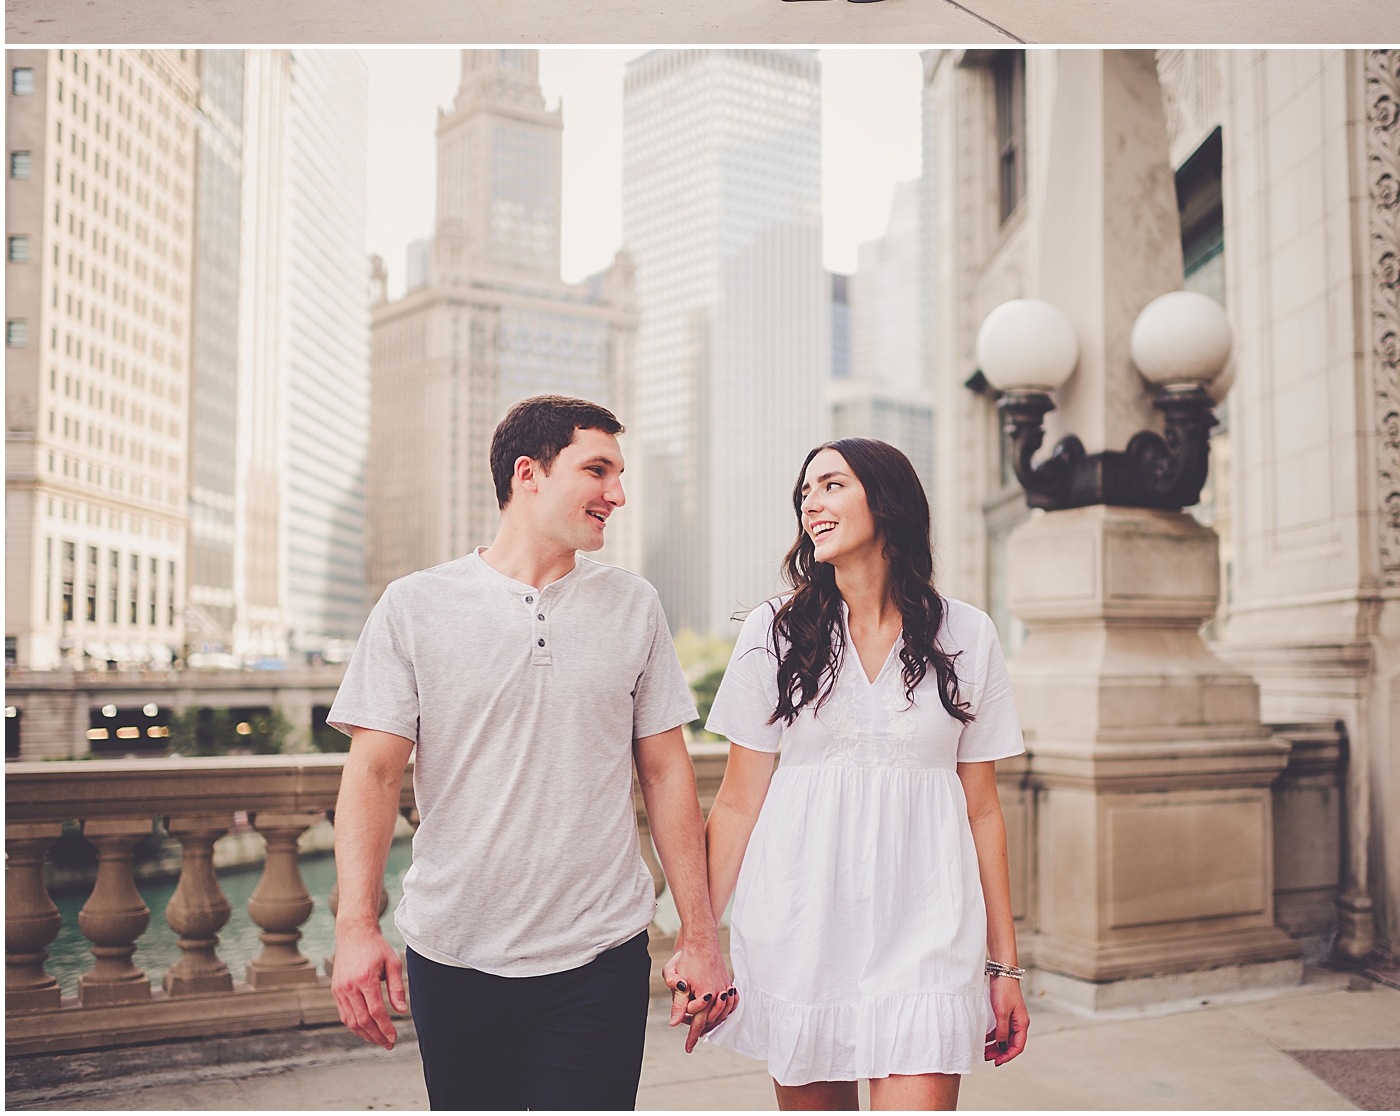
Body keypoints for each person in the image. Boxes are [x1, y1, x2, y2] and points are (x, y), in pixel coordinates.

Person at [328, 394, 735, 1112]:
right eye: (598, 469)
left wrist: (700, 933)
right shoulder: (414, 604)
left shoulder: (634, 604)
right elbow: (373, 771)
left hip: (599, 955)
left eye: (619, 473)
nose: (619, 492)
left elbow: (668, 772)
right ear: (529, 473)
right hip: (452, 952)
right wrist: (356, 927)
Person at [692, 438, 1030, 1110]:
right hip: (801, 926)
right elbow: (735, 804)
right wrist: (696, 941)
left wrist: (1004, 964)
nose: (811, 501)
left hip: (928, 927)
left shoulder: (969, 634)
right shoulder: (775, 632)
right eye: (804, 492)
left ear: (886, 497)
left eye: (831, 484)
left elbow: (983, 808)